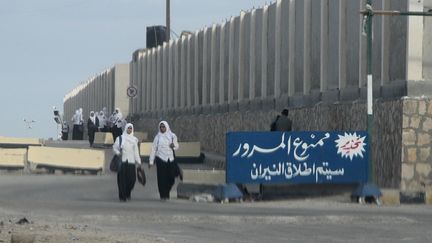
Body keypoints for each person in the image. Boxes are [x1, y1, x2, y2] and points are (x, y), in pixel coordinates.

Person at [148, 121, 179, 200]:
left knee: (171, 177)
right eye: (161, 127)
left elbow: (177, 146)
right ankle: (163, 194)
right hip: (160, 159)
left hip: (170, 159)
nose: (162, 128)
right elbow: (153, 149)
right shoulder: (157, 137)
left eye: (163, 127)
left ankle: (167, 190)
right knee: (162, 178)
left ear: (167, 127)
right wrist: (151, 161)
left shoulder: (172, 136)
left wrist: (173, 146)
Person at [112, 123, 142, 202]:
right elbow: (114, 148)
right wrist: (118, 153)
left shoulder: (134, 140)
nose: (129, 130)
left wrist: (138, 162)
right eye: (128, 128)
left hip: (131, 162)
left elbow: (136, 152)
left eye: (130, 128)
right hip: (122, 162)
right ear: (125, 129)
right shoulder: (120, 138)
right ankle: (122, 196)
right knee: (122, 180)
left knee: (132, 180)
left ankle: (128, 192)